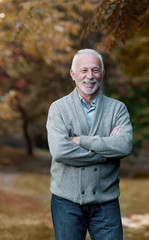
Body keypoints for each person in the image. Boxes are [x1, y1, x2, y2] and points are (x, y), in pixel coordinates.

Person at [46, 49, 133, 240]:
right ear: (73, 74)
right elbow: (60, 152)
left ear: (102, 73)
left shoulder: (117, 109)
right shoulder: (58, 109)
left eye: (95, 70)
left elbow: (124, 146)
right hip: (66, 203)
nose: (89, 76)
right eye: (84, 70)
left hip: (106, 202)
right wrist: (107, 151)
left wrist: (81, 141)